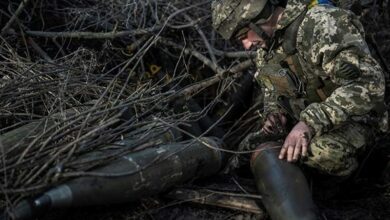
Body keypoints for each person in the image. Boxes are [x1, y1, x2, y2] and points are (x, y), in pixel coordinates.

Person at [211, 0, 388, 219]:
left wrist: (309, 123)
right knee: (248, 149)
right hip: (307, 124)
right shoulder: (267, 47)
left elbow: (369, 85)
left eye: (244, 36)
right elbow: (271, 90)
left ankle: (342, 195)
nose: (246, 45)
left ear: (258, 19)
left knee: (323, 154)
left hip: (358, 120)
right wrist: (274, 114)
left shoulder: (322, 24)